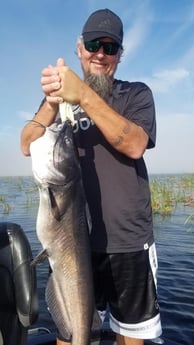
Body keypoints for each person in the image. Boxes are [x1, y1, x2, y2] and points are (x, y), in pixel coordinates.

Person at [21, 8, 162, 345]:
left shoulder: (136, 95)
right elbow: (28, 143)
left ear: (119, 56)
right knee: (71, 335)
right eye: (93, 43)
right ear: (79, 48)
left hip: (128, 242)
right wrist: (53, 101)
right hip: (70, 243)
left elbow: (134, 144)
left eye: (110, 47)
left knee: (129, 336)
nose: (100, 53)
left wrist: (83, 94)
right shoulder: (60, 102)